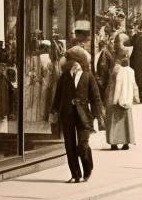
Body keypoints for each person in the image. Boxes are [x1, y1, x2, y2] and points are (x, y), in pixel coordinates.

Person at [49, 47, 104, 183]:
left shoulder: (87, 74)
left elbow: (96, 96)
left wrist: (99, 114)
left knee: (83, 144)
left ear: (78, 60)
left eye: (72, 59)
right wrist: (54, 111)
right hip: (67, 114)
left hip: (83, 114)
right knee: (69, 144)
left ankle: (87, 169)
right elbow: (58, 95)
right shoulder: (65, 75)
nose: (70, 62)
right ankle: (75, 174)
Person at [105, 53, 137, 150]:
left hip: (115, 97)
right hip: (126, 98)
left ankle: (114, 142)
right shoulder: (130, 71)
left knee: (114, 119)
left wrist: (108, 99)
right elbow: (133, 85)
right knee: (125, 118)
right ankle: (126, 141)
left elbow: (110, 87)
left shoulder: (115, 71)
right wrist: (135, 96)